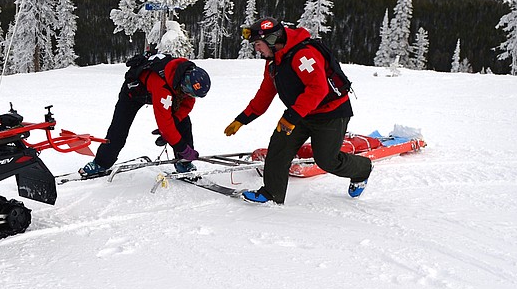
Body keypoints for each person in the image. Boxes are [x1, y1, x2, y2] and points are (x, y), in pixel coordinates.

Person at [224, 17, 371, 204]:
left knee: (326, 160)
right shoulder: (273, 61)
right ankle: (271, 194)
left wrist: (291, 117)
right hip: (302, 112)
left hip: (331, 113)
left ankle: (362, 169)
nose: (256, 49)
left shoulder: (304, 55)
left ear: (272, 40)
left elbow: (318, 89)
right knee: (279, 146)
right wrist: (242, 119)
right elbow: (265, 94)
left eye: (258, 44)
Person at [80, 52, 211, 178]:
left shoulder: (186, 85)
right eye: (188, 90)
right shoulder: (163, 85)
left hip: (158, 91)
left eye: (192, 94)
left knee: (184, 123)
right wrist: (183, 148)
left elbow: (186, 106)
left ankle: (184, 163)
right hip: (133, 93)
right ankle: (101, 163)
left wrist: (176, 120)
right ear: (185, 79)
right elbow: (165, 124)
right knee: (119, 129)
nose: (189, 95)